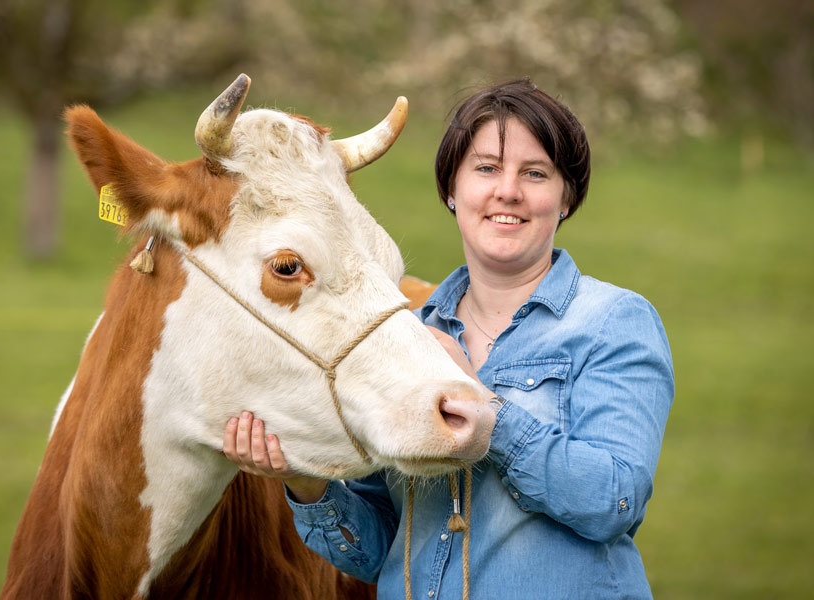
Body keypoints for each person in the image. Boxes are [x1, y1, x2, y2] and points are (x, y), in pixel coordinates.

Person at [222, 78, 674, 599]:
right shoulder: (403, 333)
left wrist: (487, 414)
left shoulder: (614, 321)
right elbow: (378, 552)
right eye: (486, 169)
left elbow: (613, 500)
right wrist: (304, 482)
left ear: (565, 197)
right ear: (450, 191)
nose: (508, 191)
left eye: (535, 173)